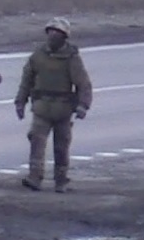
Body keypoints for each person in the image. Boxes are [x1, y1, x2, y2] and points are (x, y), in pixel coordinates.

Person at [14, 16, 93, 193]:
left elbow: (83, 83)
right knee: (36, 142)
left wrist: (83, 105)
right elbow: (26, 80)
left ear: (64, 36)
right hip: (42, 107)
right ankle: (34, 177)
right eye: (50, 31)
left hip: (63, 109)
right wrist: (20, 102)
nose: (53, 35)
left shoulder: (71, 58)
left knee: (61, 146)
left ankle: (61, 181)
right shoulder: (38, 55)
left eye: (57, 33)